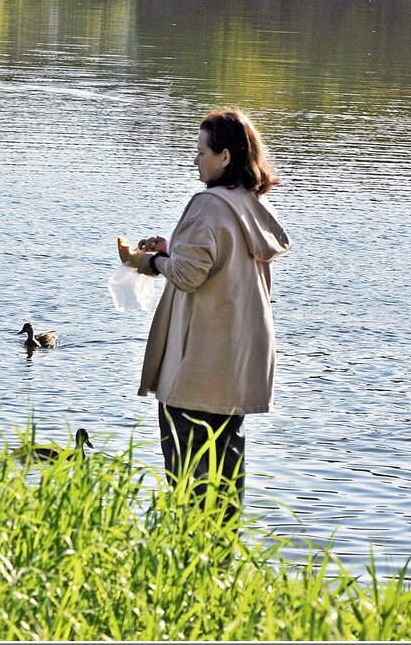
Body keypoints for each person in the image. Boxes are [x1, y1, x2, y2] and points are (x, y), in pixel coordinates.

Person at [121, 108, 291, 519]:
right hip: (237, 366)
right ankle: (221, 562)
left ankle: (186, 556)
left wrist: (144, 262)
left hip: (198, 364)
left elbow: (186, 274)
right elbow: (212, 262)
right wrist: (170, 247)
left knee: (187, 477)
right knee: (226, 476)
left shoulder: (207, 204)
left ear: (226, 157)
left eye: (201, 152)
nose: (195, 160)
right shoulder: (249, 206)